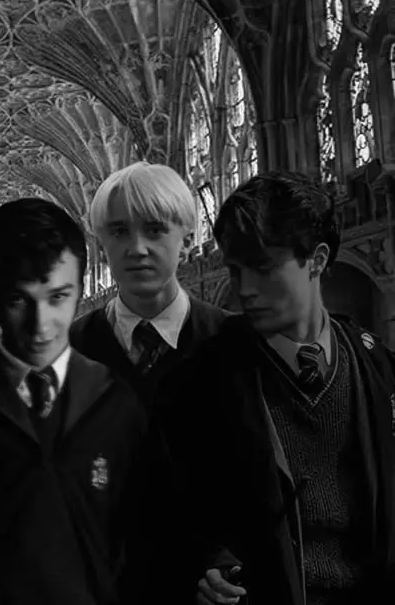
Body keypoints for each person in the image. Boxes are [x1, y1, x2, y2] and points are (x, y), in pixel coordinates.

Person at [168, 172, 395, 605]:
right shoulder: (199, 380)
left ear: (317, 259)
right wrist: (206, 565)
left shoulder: (378, 369)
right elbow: (173, 511)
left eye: (263, 268)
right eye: (235, 270)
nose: (245, 290)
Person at [0, 198, 147, 605]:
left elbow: (146, 538)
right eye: (19, 300)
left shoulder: (116, 402)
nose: (40, 326)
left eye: (58, 297)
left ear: (81, 288)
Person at [70, 162, 230, 411]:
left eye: (154, 230)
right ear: (101, 249)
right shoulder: (70, 349)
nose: (137, 249)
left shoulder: (235, 341)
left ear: (187, 242)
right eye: (120, 231)